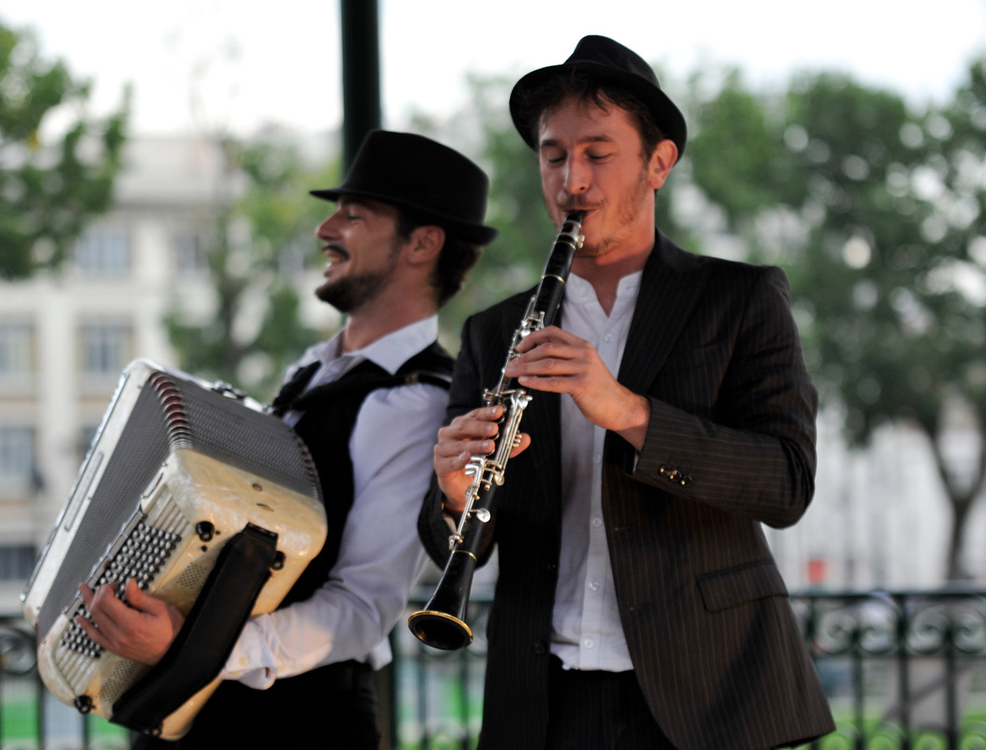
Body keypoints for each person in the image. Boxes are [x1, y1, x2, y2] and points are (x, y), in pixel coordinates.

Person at [418, 36, 835, 750]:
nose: (571, 180)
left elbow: (786, 483)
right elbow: (453, 538)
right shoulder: (494, 333)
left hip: (707, 694)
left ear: (659, 162)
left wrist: (630, 413)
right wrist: (456, 495)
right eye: (554, 155)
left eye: (597, 153)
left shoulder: (739, 299)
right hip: (543, 701)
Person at [78, 130, 498, 749]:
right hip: (206, 709)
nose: (326, 229)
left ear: (423, 244)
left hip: (300, 724)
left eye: (353, 216)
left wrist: (195, 648)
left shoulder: (419, 403)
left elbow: (360, 612)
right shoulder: (312, 368)